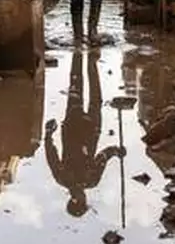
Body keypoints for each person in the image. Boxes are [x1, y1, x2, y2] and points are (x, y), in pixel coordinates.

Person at [44, 50, 125, 217]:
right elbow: (102, 157)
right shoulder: (90, 180)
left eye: (80, 200)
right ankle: (91, 60)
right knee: (94, 94)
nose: (81, 196)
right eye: (83, 200)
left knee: (77, 86)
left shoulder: (64, 178)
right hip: (90, 129)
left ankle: (78, 54)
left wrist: (48, 134)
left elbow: (51, 154)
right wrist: (116, 151)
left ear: (73, 200)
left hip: (74, 127)